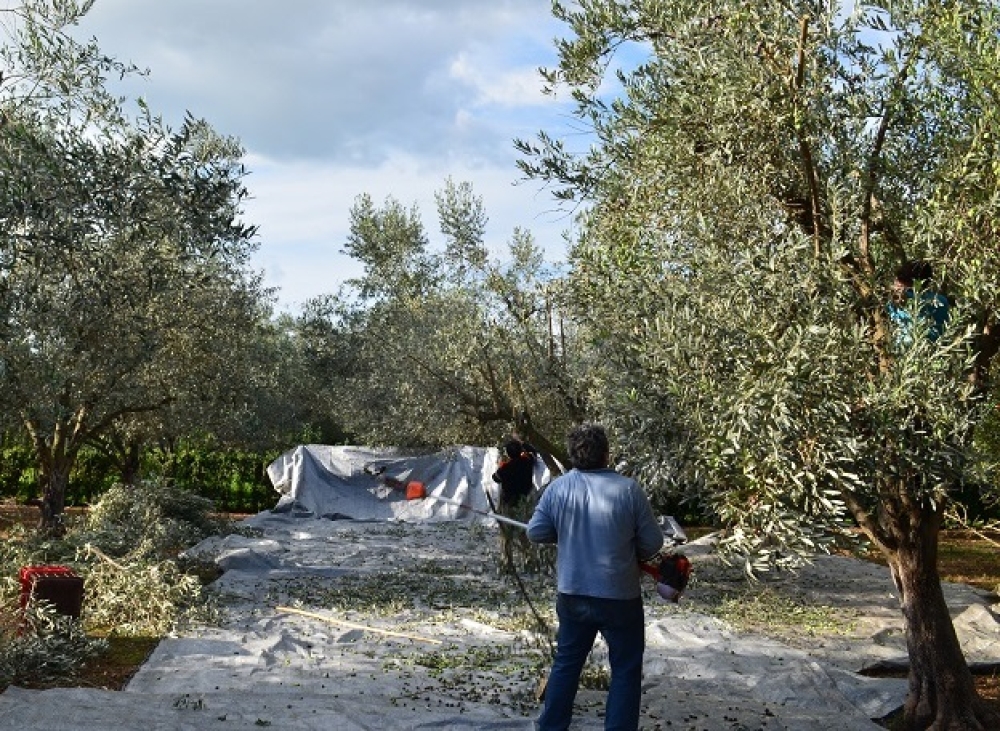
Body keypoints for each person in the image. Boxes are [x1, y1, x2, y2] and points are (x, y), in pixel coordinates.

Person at [527, 424, 664, 731]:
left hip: (573, 593)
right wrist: (632, 549)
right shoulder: (628, 490)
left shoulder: (558, 488)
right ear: (606, 453)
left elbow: (535, 532)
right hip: (620, 596)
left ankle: (552, 727)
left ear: (572, 455)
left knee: (567, 664)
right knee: (625, 670)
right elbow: (653, 542)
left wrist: (563, 531)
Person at [887, 260, 949, 345]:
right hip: (933, 347)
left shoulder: (901, 299)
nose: (895, 282)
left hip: (905, 348)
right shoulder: (941, 300)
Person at [492, 435, 538, 510]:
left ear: (508, 453)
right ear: (521, 450)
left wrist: (500, 466)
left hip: (511, 502)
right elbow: (533, 452)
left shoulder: (505, 468)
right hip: (526, 498)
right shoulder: (527, 461)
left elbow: (495, 478)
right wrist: (522, 443)